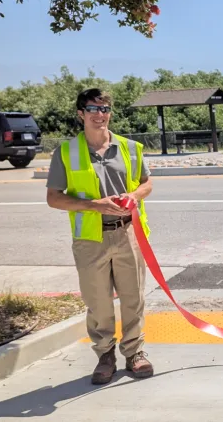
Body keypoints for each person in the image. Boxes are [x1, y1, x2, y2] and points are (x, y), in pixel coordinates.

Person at [46, 88, 154, 385]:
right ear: (80, 113)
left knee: (133, 298)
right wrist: (93, 205)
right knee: (99, 302)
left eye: (104, 109)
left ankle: (135, 353)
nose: (100, 115)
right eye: (93, 109)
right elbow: (54, 198)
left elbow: (147, 184)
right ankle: (105, 356)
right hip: (90, 240)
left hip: (128, 234)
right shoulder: (65, 152)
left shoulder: (131, 148)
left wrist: (134, 195)